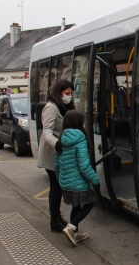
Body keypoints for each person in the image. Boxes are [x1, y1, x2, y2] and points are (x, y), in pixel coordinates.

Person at [54, 110, 101, 246]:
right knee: (89, 203)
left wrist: (60, 180)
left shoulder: (61, 139)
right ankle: (71, 227)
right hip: (78, 183)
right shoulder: (80, 139)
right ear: (79, 123)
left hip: (65, 182)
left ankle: (74, 234)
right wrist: (95, 180)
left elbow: (56, 165)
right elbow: (84, 166)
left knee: (76, 205)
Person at [36, 79, 75, 232]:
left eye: (71, 93)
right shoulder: (51, 108)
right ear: (59, 93)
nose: (69, 96)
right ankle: (54, 220)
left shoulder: (63, 106)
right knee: (56, 187)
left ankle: (57, 217)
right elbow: (47, 131)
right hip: (52, 153)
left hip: (60, 153)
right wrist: (57, 143)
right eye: (67, 93)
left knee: (56, 187)